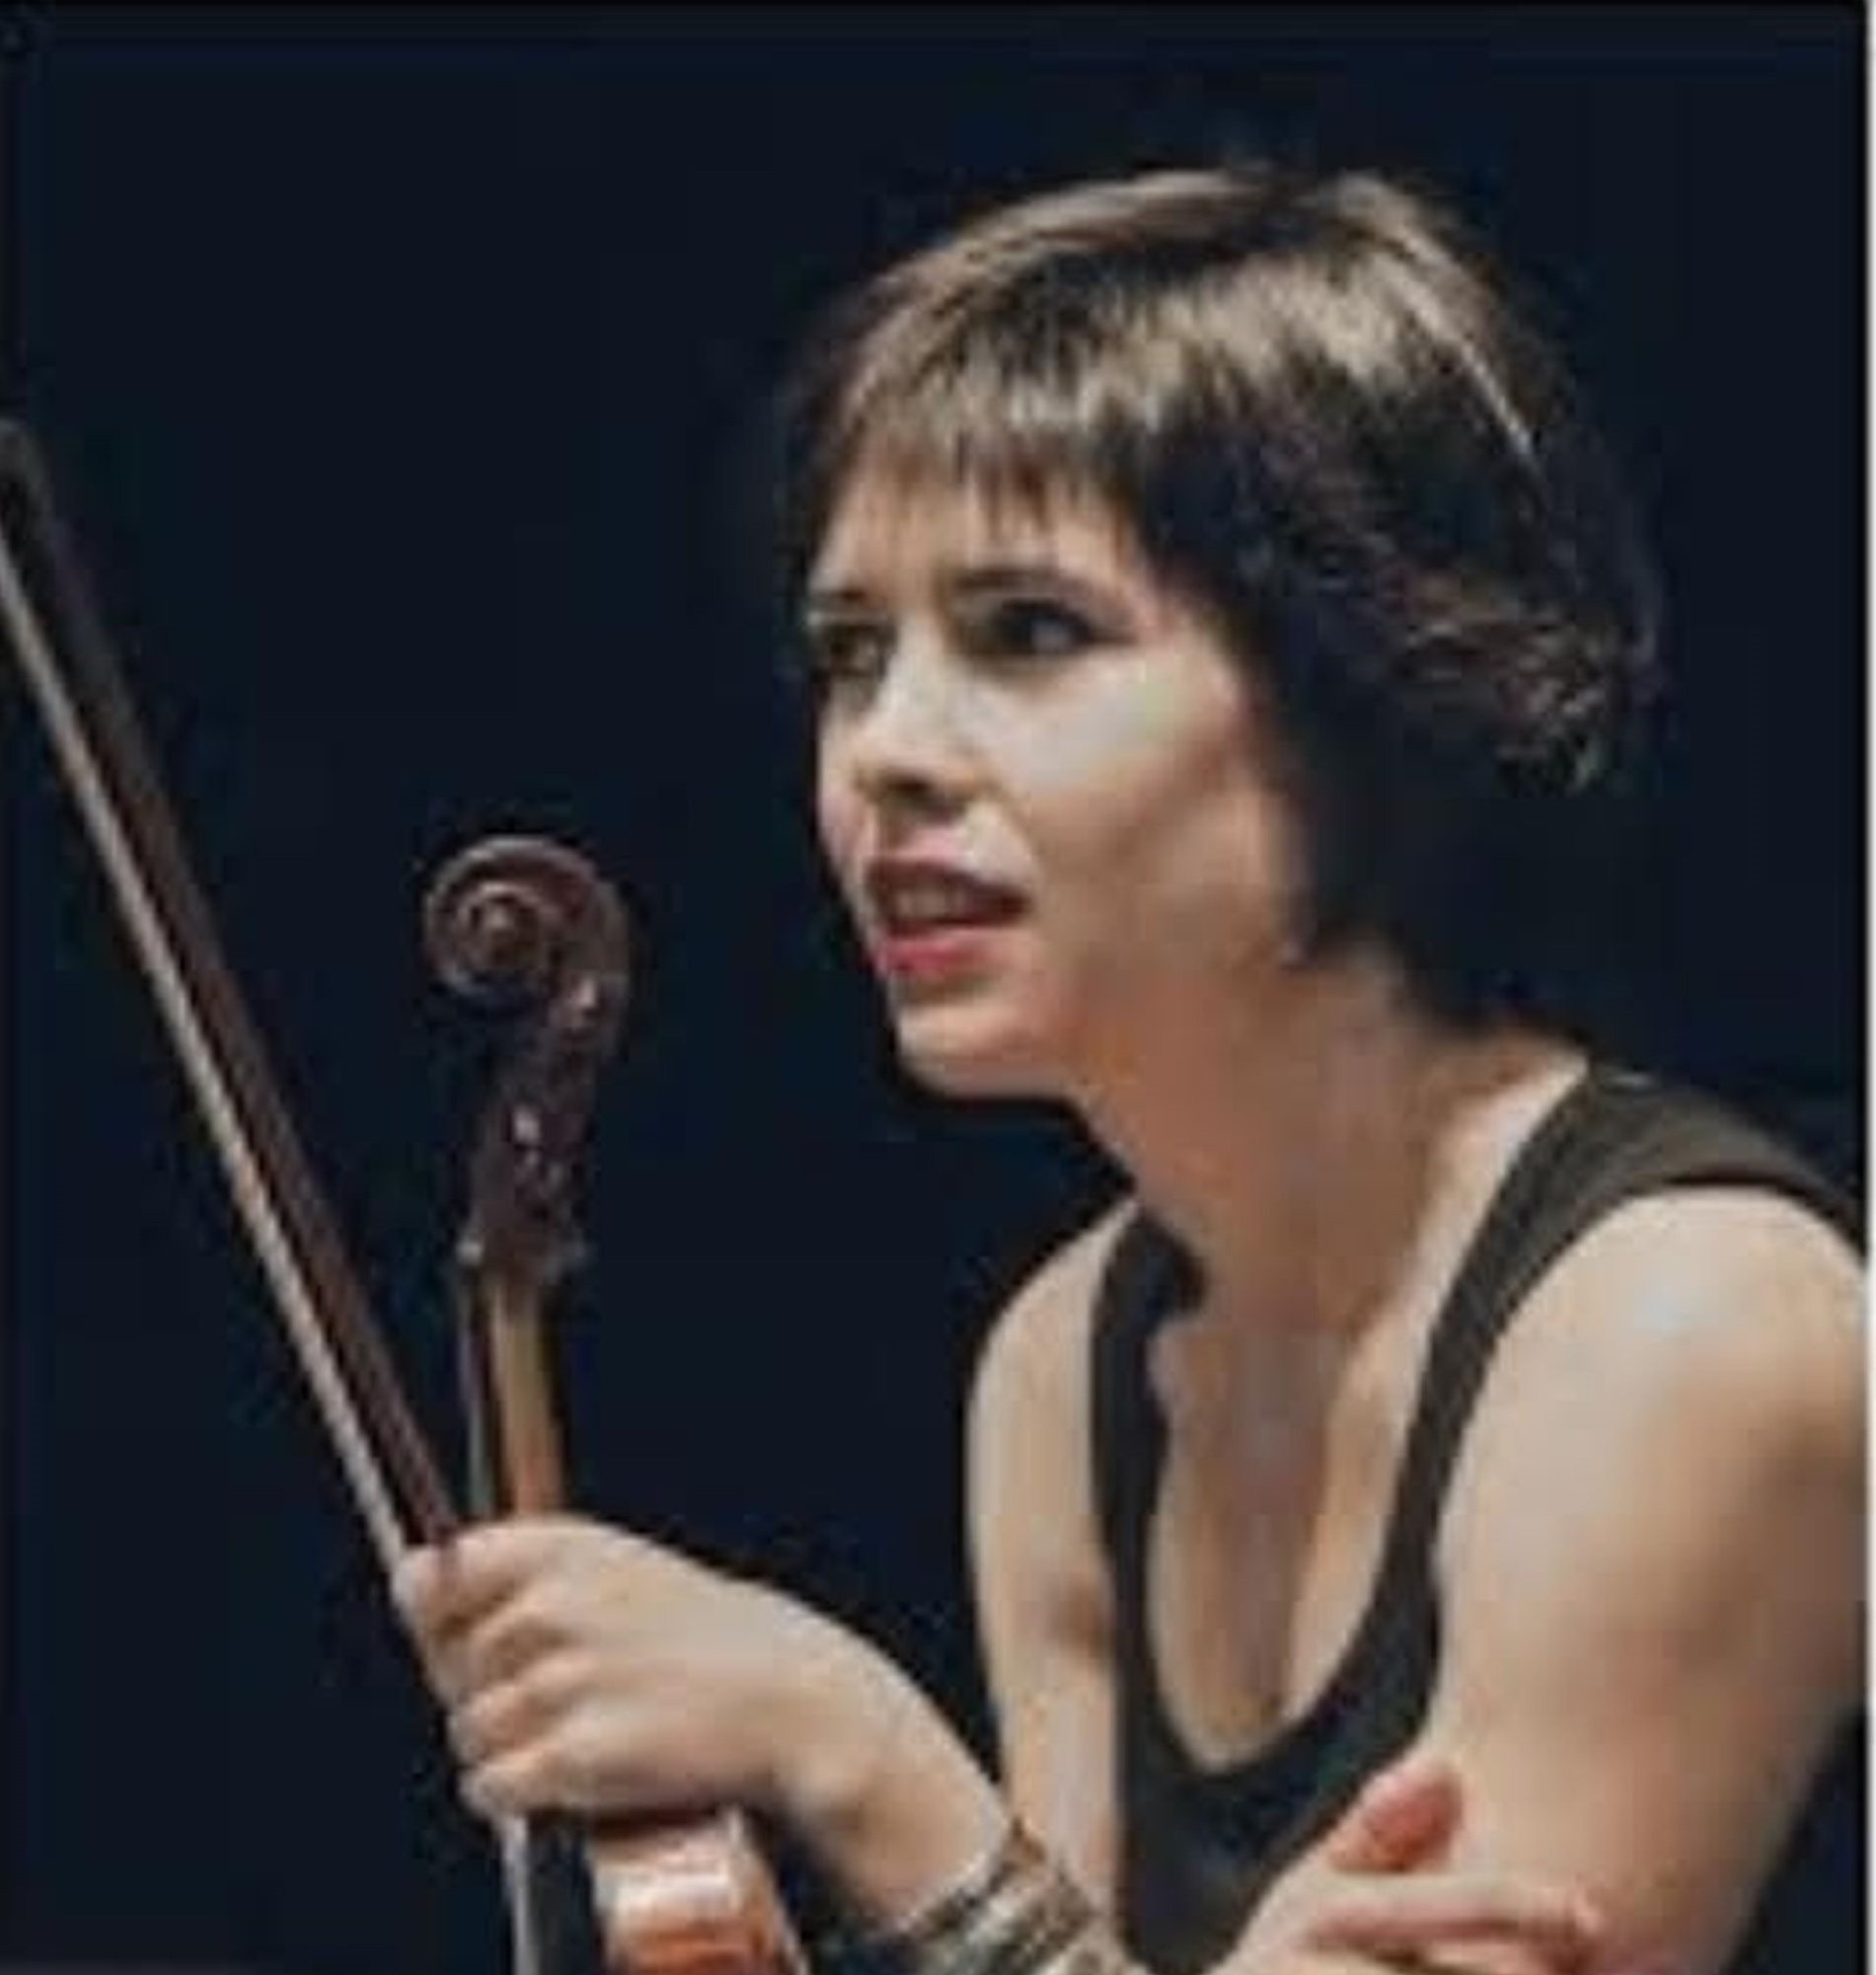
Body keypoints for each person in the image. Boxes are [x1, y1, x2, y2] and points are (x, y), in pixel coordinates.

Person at [393, 162, 1863, 1975]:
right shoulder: (1066, 1360)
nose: (883, 752)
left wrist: (851, 1748)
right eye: (849, 655)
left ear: (1365, 690)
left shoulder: (1690, 1331)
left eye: (1030, 630)